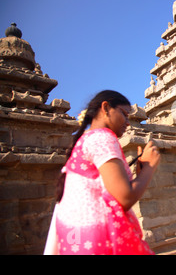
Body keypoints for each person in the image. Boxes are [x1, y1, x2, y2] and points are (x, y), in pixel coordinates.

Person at [44, 90, 161, 255]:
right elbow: (125, 197)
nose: (128, 122)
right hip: (102, 240)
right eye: (124, 114)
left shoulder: (86, 139)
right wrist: (150, 167)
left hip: (78, 240)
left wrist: (139, 174)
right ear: (106, 108)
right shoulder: (103, 138)